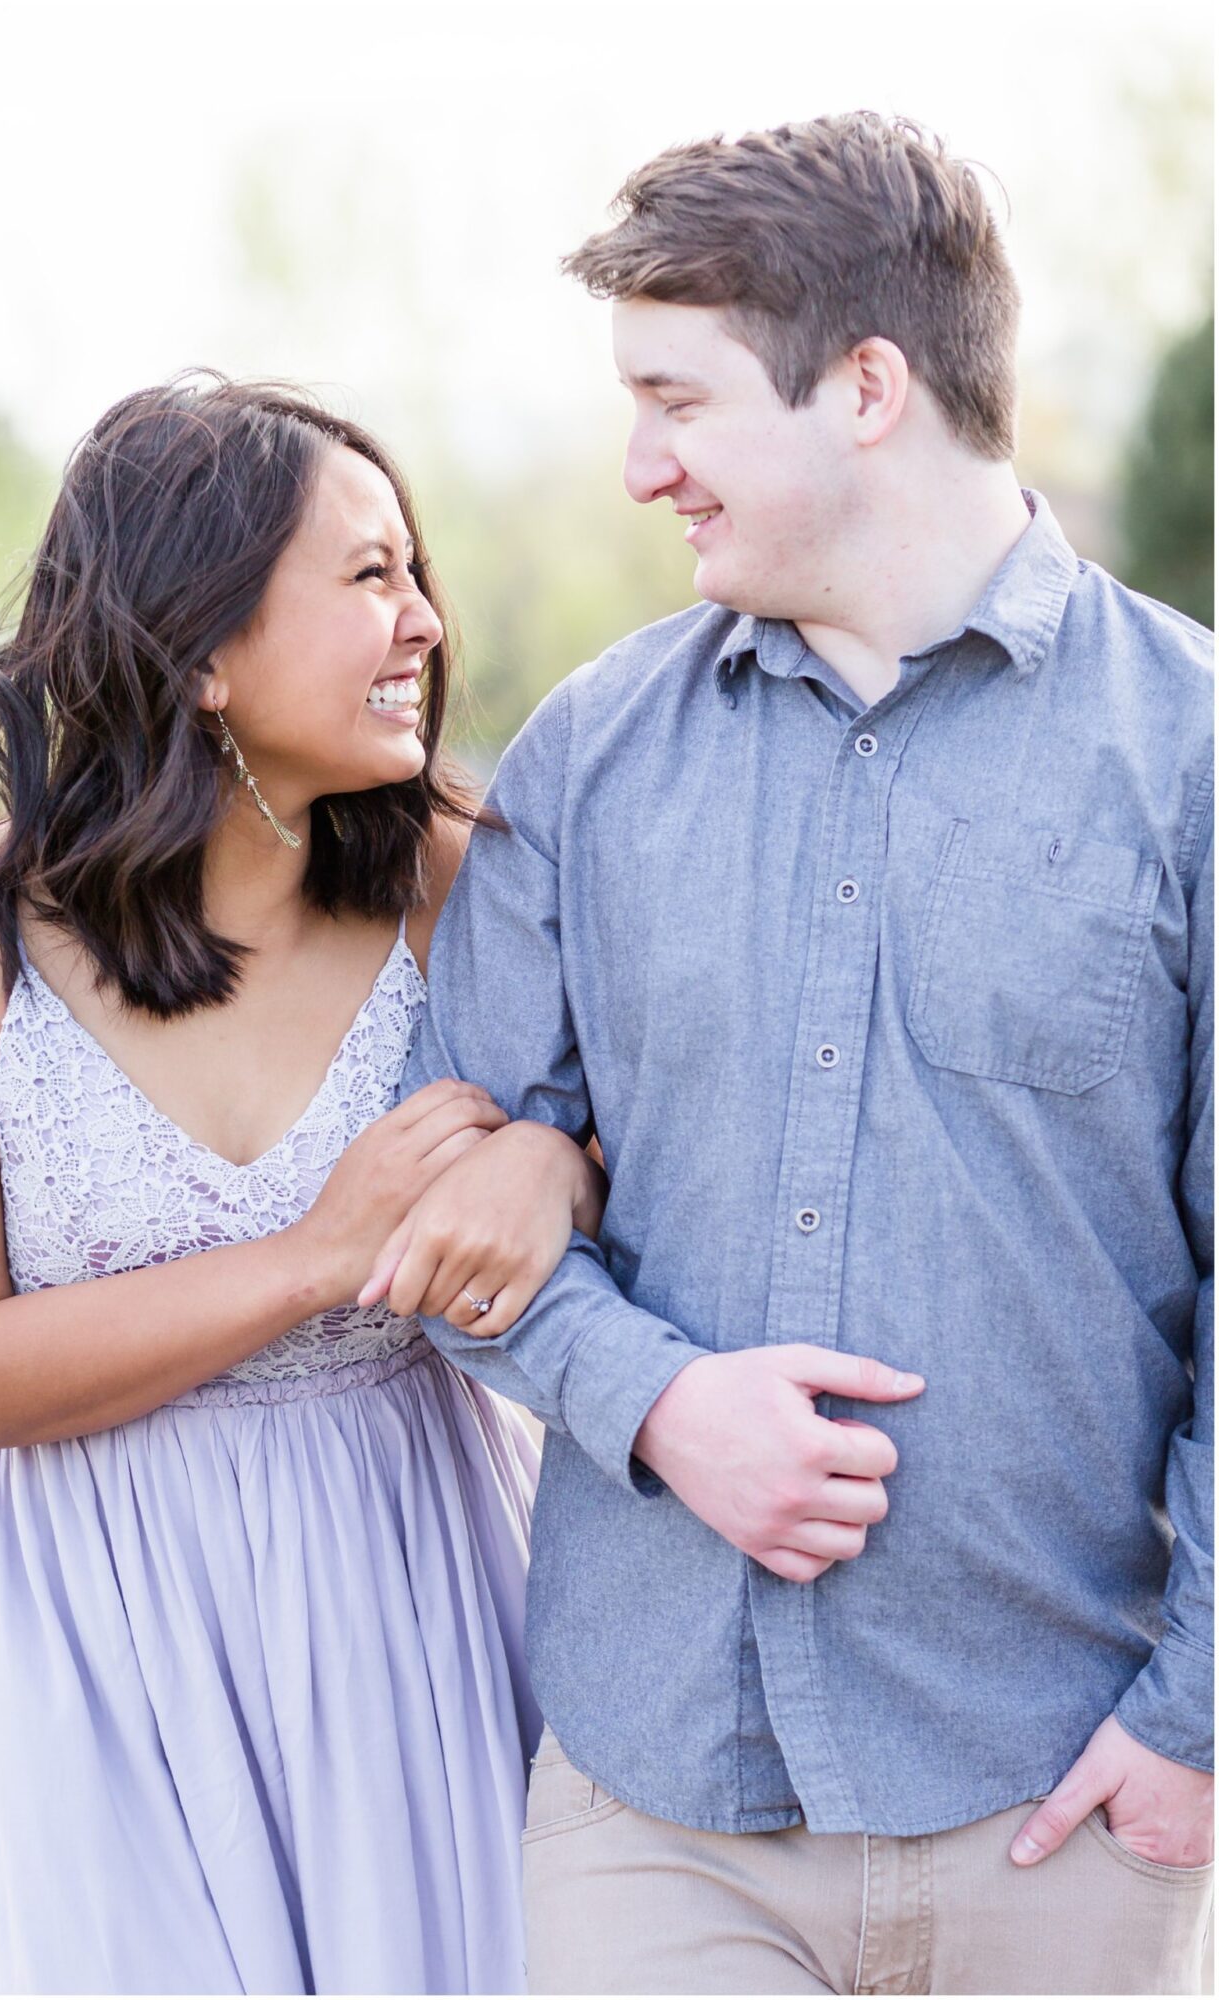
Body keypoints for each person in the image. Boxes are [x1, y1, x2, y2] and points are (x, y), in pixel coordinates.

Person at [381, 114, 1214, 1994]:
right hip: (656, 1808)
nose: (638, 466)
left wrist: (1195, 1727)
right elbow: (442, 1205)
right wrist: (658, 1406)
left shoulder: (1191, 764)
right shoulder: (589, 760)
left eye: (677, 399)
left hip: (1060, 1811)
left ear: (864, 386)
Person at [0, 376, 603, 1996]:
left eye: (416, 572)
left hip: (405, 1613)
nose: (423, 620)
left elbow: (627, 1163)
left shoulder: (457, 881)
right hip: (99, 1638)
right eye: (368, 577)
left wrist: (554, 1156)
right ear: (201, 649)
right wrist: (313, 1255)